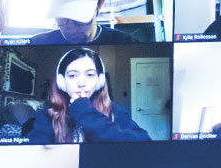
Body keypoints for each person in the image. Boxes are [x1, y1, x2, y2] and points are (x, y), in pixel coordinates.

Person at [21, 47, 151, 143]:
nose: (81, 83)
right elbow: (36, 147)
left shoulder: (116, 110)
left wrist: (85, 112)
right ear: (62, 81)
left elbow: (145, 142)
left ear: (99, 80)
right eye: (72, 75)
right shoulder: (50, 110)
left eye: (90, 75)